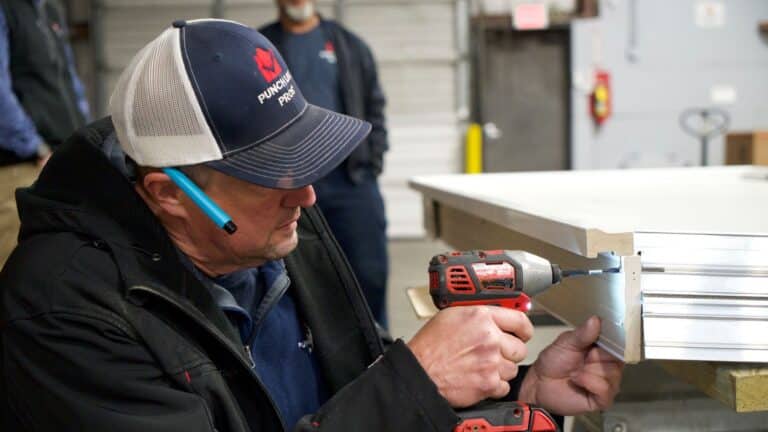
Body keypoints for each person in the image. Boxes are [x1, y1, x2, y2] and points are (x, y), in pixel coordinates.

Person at [0, 20, 623, 431]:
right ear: (169, 193)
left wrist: (523, 391)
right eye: (272, 171)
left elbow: (353, 377)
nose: (307, 192)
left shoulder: (266, 231)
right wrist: (416, 382)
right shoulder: (65, 310)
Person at [260, 0, 390, 327]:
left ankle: (379, 349)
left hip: (350, 182)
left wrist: (370, 161)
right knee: (296, 278)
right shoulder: (261, 48)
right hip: (289, 184)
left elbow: (374, 107)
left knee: (369, 273)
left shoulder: (349, 45)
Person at [0, 0, 90, 265]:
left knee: (59, 267)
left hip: (60, 161)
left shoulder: (49, 10)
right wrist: (35, 146)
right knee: (16, 270)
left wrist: (81, 139)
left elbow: (71, 84)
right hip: (23, 166)